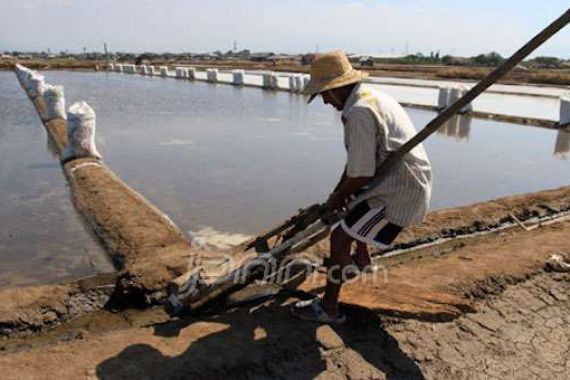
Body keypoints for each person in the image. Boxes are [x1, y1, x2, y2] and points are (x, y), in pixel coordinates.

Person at [291, 50, 432, 324]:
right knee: (352, 210)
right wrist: (338, 194)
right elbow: (358, 165)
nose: (324, 101)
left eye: (324, 93)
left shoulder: (358, 112)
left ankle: (329, 308)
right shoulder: (371, 96)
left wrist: (337, 197)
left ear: (338, 88)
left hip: (400, 189)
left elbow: (361, 173)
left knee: (339, 237)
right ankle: (362, 260)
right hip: (391, 178)